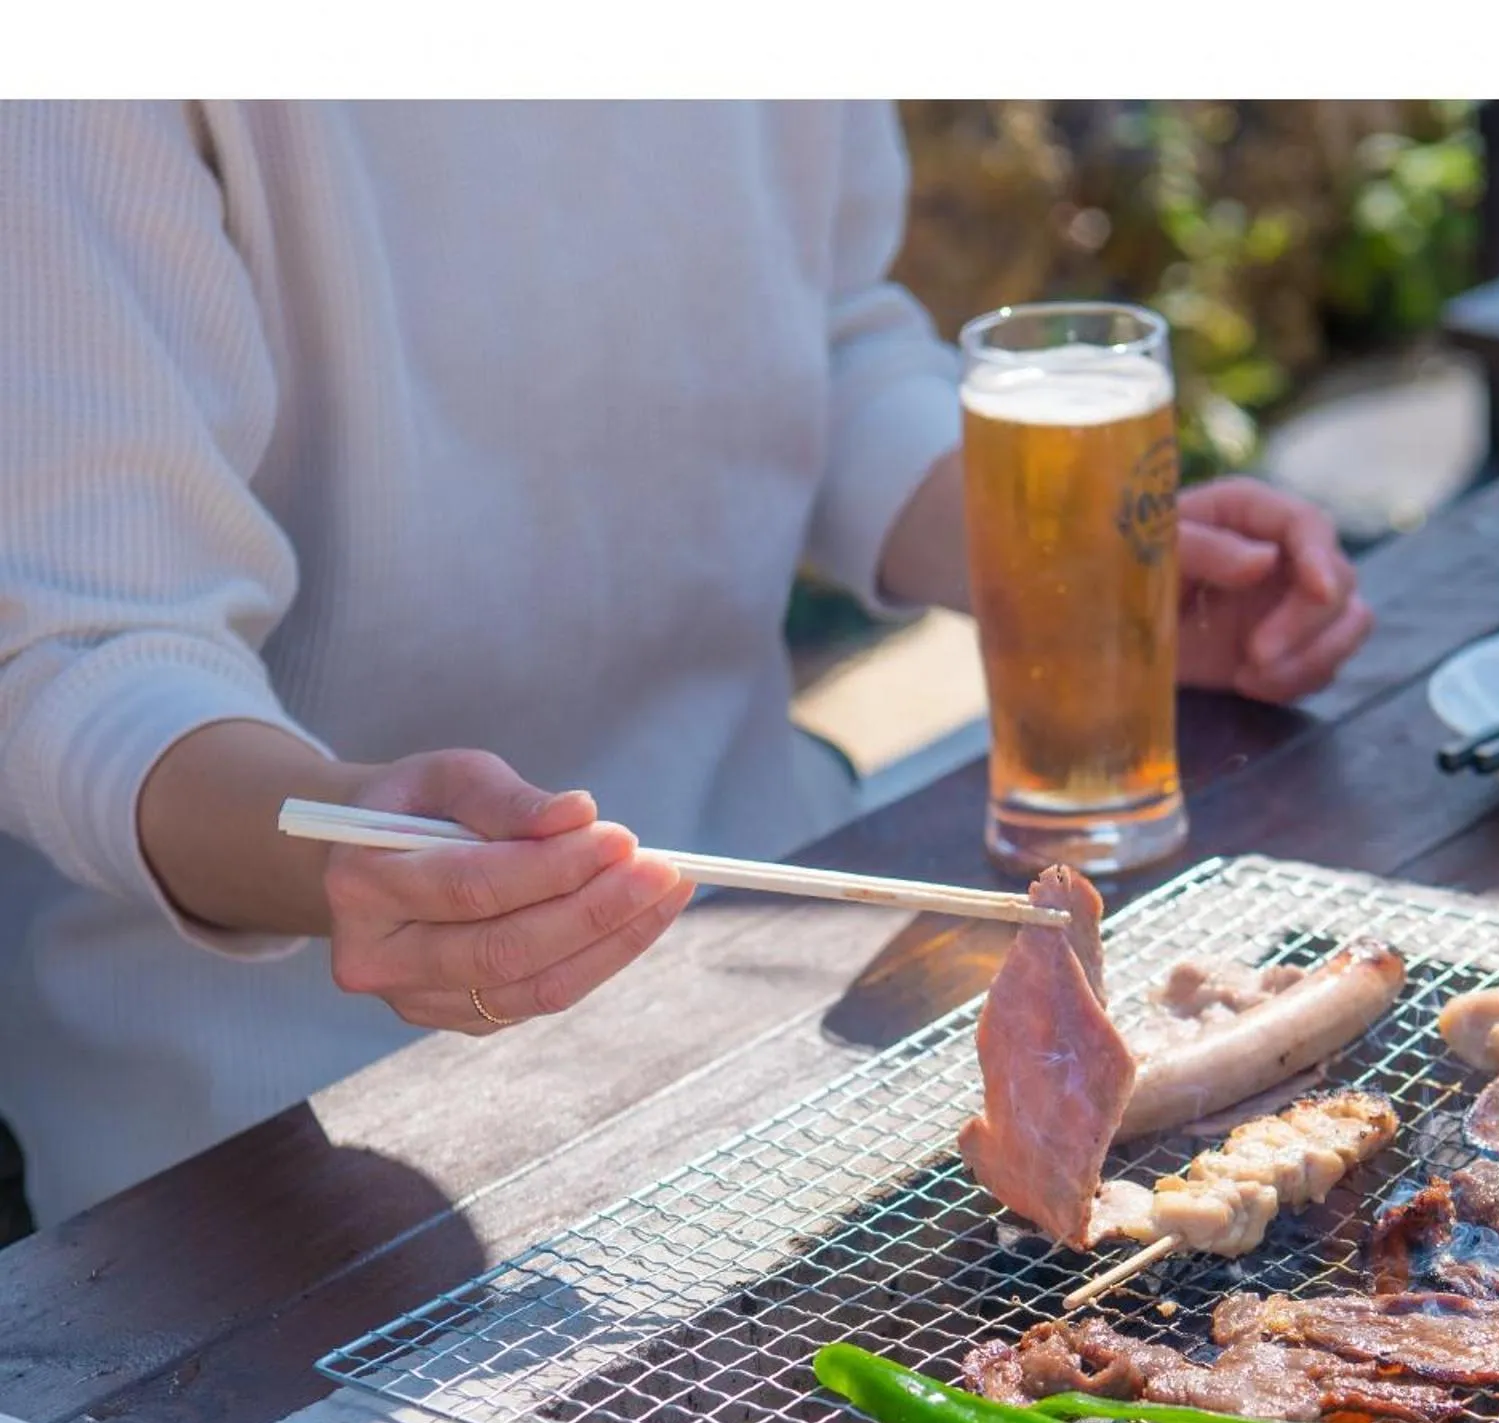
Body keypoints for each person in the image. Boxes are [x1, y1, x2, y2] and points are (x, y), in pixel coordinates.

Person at [0, 101, 1374, 1228]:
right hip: (272, 1130)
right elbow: (82, 653)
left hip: (763, 981)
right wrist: (350, 863)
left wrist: (1075, 577)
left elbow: (825, 345)